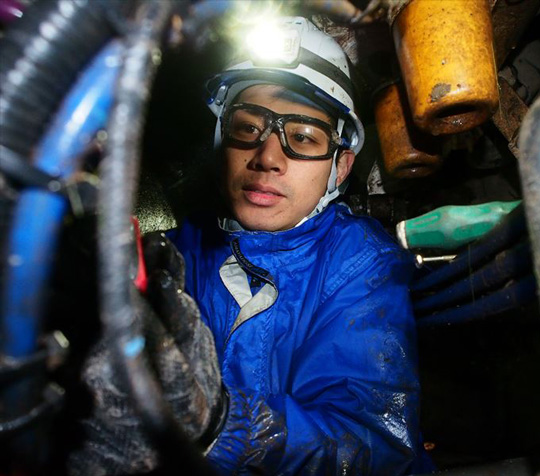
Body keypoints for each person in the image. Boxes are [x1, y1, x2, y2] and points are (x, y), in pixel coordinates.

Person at [70, 16, 432, 475]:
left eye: (301, 137)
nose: (267, 157)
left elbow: (373, 448)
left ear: (339, 169)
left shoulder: (362, 264)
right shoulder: (181, 251)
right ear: (222, 141)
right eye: (247, 128)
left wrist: (221, 426)